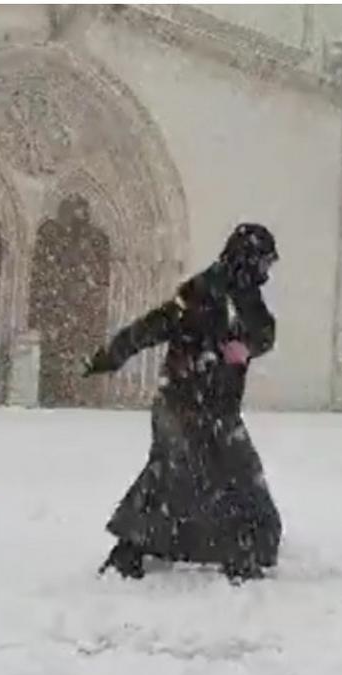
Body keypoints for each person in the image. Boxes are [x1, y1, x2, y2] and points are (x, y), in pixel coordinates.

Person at [85, 223, 282, 583]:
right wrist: (113, 355)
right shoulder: (199, 291)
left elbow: (266, 331)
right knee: (185, 476)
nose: (267, 272)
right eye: (264, 262)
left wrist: (247, 346)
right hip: (184, 402)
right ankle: (135, 552)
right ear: (247, 259)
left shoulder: (247, 295)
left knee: (221, 476)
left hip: (218, 406)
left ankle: (237, 551)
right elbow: (155, 325)